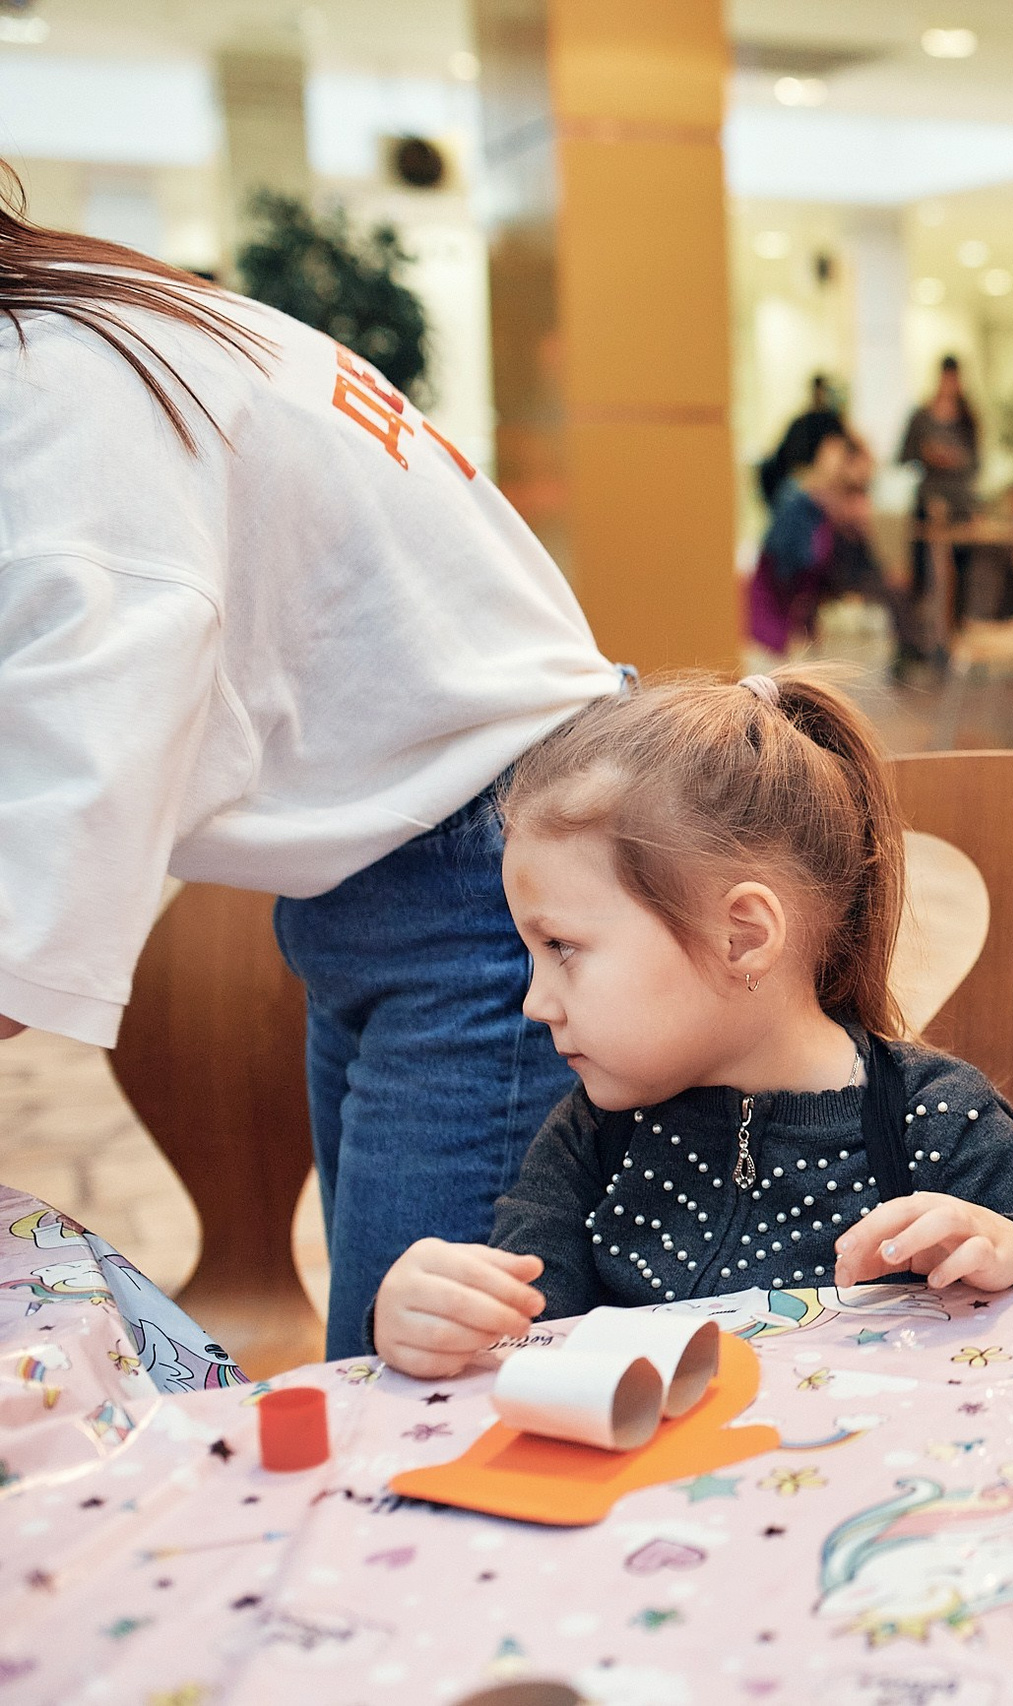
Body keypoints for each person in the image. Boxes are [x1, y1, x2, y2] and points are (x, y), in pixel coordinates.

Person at [0, 165, 619, 1360]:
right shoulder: (91, 327)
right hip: (421, 859)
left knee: (428, 1393)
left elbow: (44, 883)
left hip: (489, 873)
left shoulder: (46, 406)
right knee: (407, 1345)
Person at [370, 669, 1013, 1374]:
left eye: (562, 948)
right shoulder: (589, 1142)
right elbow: (523, 1344)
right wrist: (430, 1321)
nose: (534, 1002)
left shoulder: (942, 1124)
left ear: (741, 936)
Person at [750, 412, 931, 669]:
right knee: (894, 590)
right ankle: (915, 653)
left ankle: (913, 652)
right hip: (816, 573)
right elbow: (794, 554)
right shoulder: (807, 496)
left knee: (897, 588)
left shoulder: (830, 496)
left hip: (827, 570)